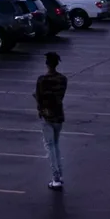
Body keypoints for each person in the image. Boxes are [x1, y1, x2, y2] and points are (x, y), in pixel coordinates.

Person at [35, 51, 68, 190]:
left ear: (47, 64)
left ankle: (56, 178)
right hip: (59, 115)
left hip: (47, 116)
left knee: (50, 147)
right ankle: (59, 175)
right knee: (56, 145)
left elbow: (39, 97)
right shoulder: (63, 79)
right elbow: (60, 96)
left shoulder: (42, 80)